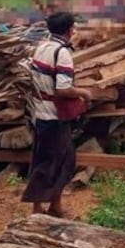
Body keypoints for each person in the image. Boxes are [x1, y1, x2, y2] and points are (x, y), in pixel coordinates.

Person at [22, 11, 92, 217]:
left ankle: (49, 205)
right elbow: (63, 89)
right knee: (61, 162)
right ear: (70, 30)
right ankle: (46, 207)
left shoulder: (41, 47)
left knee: (45, 160)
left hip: (40, 114)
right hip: (54, 117)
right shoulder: (62, 54)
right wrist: (84, 93)